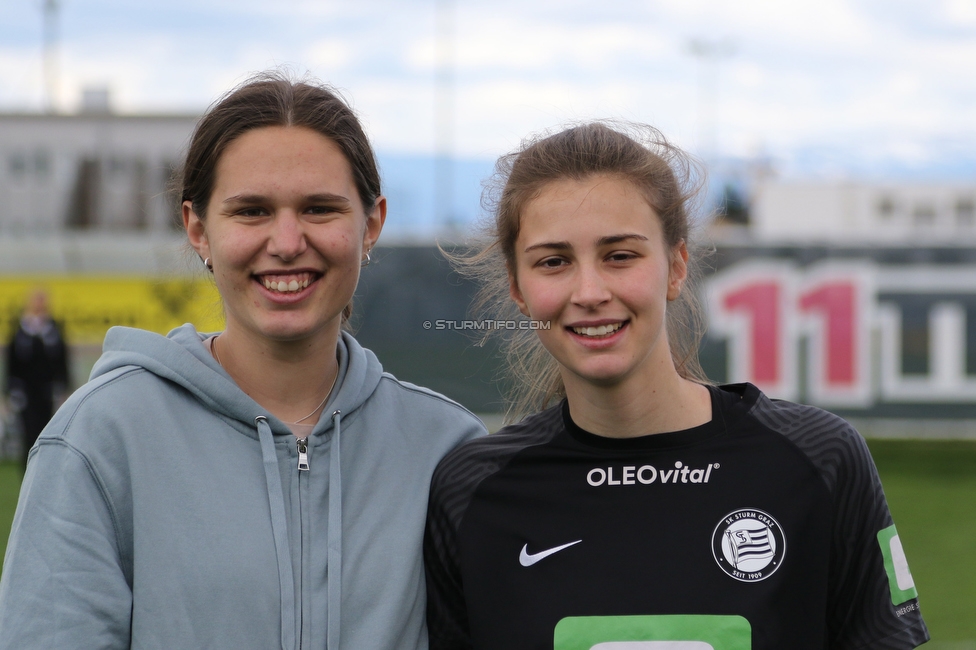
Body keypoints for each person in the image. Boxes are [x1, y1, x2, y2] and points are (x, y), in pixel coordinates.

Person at [0, 72, 486, 649]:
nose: (285, 241)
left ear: (371, 224)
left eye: (320, 209)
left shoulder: (448, 451)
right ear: (198, 230)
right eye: (252, 211)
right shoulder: (100, 440)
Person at [424, 122, 929, 649]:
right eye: (554, 262)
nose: (590, 292)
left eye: (620, 255)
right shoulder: (471, 491)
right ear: (518, 290)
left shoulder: (818, 459)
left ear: (676, 267)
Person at [3, 288, 69, 470]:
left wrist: (63, 386)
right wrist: (11, 389)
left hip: (47, 392)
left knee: (47, 431)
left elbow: (62, 359)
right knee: (28, 433)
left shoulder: (53, 329)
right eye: (36, 301)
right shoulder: (20, 328)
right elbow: (12, 361)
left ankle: (44, 470)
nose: (39, 305)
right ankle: (27, 471)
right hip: (26, 393)